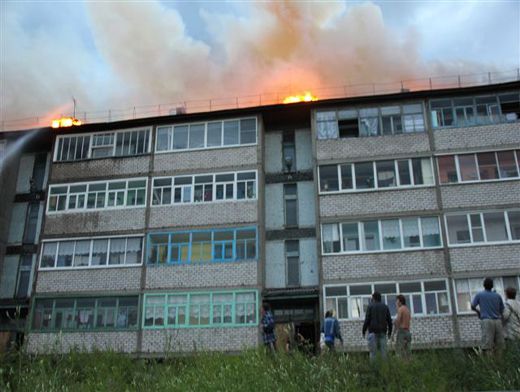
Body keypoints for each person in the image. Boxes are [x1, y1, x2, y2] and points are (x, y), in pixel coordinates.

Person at [471, 278, 505, 355]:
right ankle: (500, 363)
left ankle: (490, 364)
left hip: (486, 321)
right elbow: (502, 309)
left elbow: (472, 306)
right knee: (499, 345)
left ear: (484, 285)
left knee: (487, 345)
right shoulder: (497, 295)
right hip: (497, 321)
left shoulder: (480, 295)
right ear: (492, 286)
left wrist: (478, 312)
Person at [362, 292, 392, 361]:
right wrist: (390, 332)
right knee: (383, 353)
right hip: (382, 332)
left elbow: (367, 320)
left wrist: (363, 331)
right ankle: (384, 369)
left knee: (373, 353)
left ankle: (374, 370)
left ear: (374, 298)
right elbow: (389, 321)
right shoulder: (385, 307)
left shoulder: (370, 306)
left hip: (373, 333)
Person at [393, 295, 412, 359]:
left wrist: (394, 332)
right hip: (408, 332)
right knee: (407, 352)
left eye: (397, 301)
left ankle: (400, 366)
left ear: (400, 302)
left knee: (399, 351)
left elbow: (398, 321)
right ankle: (408, 365)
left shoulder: (400, 309)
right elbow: (408, 319)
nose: (396, 302)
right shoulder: (407, 309)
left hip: (402, 332)